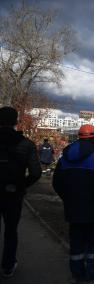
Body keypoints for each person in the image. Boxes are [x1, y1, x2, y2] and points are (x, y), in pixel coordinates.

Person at [52, 124, 94, 283]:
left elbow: (57, 183)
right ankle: (93, 274)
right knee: (93, 242)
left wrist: (68, 199)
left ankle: (77, 273)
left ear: (79, 137)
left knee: (76, 242)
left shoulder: (65, 158)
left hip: (73, 209)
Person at [0, 106, 41, 278]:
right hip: (13, 194)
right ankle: (8, 265)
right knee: (10, 230)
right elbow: (36, 172)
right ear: (16, 122)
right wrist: (21, 185)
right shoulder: (26, 144)